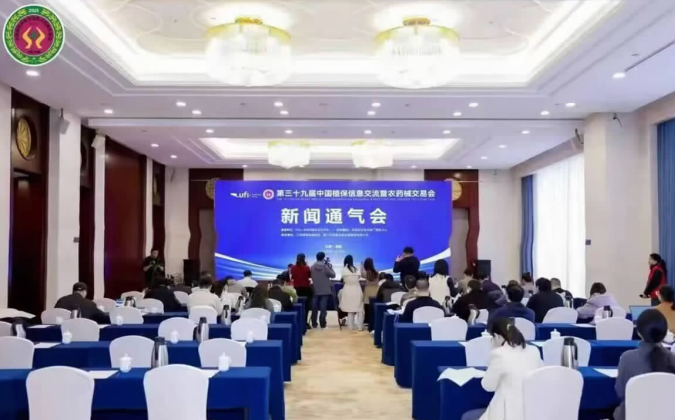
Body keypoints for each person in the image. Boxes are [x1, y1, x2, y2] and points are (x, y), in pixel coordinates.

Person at [460, 319, 543, 420]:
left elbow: (488, 386)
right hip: (533, 410)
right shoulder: (534, 350)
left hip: (508, 412)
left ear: (497, 336)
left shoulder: (499, 354)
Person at [613, 309, 675, 420]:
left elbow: (621, 392)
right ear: (664, 332)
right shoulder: (672, 358)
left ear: (638, 332)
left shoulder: (627, 358)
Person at [310, 252, 336, 329]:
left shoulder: (312, 267)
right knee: (323, 308)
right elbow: (333, 275)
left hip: (315, 289)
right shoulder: (325, 267)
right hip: (325, 290)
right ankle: (322, 323)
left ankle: (314, 323)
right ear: (323, 258)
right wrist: (330, 267)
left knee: (314, 308)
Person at [340, 255, 364, 330]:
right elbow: (359, 277)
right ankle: (360, 326)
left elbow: (343, 279)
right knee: (360, 309)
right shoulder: (356, 269)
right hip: (357, 290)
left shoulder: (344, 269)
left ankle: (350, 327)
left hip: (348, 290)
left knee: (350, 310)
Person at [291, 253, 313, 329]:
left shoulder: (293, 268)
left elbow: (292, 277)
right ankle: (305, 322)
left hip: (297, 289)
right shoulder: (307, 267)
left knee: (297, 306)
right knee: (306, 307)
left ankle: (298, 322)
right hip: (306, 289)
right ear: (304, 259)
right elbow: (309, 276)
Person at [361, 257, 379, 331]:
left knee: (367, 306)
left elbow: (362, 274)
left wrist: (362, 267)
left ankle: (367, 321)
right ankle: (373, 321)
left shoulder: (365, 273)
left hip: (368, 290)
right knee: (373, 307)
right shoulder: (377, 272)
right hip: (376, 290)